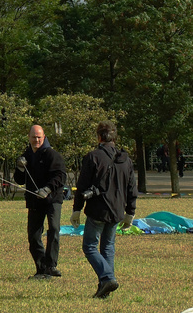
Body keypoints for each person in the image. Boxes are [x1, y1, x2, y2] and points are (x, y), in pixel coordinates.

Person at [70, 120, 137, 300]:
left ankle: (108, 278)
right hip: (117, 211)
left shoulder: (93, 157)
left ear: (99, 137)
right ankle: (105, 288)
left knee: (90, 246)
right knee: (108, 247)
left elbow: (82, 185)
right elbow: (132, 188)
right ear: (114, 138)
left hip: (98, 210)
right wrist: (130, 212)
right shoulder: (127, 160)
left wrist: (76, 209)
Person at [12, 123, 67, 279]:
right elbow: (19, 180)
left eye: (39, 137)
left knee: (54, 229)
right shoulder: (26, 156)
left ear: (44, 137)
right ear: (29, 138)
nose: (36, 140)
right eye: (34, 137)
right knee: (34, 236)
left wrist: (47, 189)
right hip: (35, 201)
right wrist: (20, 168)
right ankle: (41, 268)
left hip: (52, 199)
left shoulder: (53, 155)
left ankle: (51, 265)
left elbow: (60, 177)